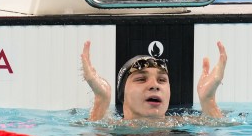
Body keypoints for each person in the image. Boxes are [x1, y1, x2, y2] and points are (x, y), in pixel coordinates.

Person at [80, 41, 227, 122]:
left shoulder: (186, 124)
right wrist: (101, 101)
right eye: (141, 79)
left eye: (162, 80)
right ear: (122, 93)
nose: (154, 85)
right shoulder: (109, 127)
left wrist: (209, 102)